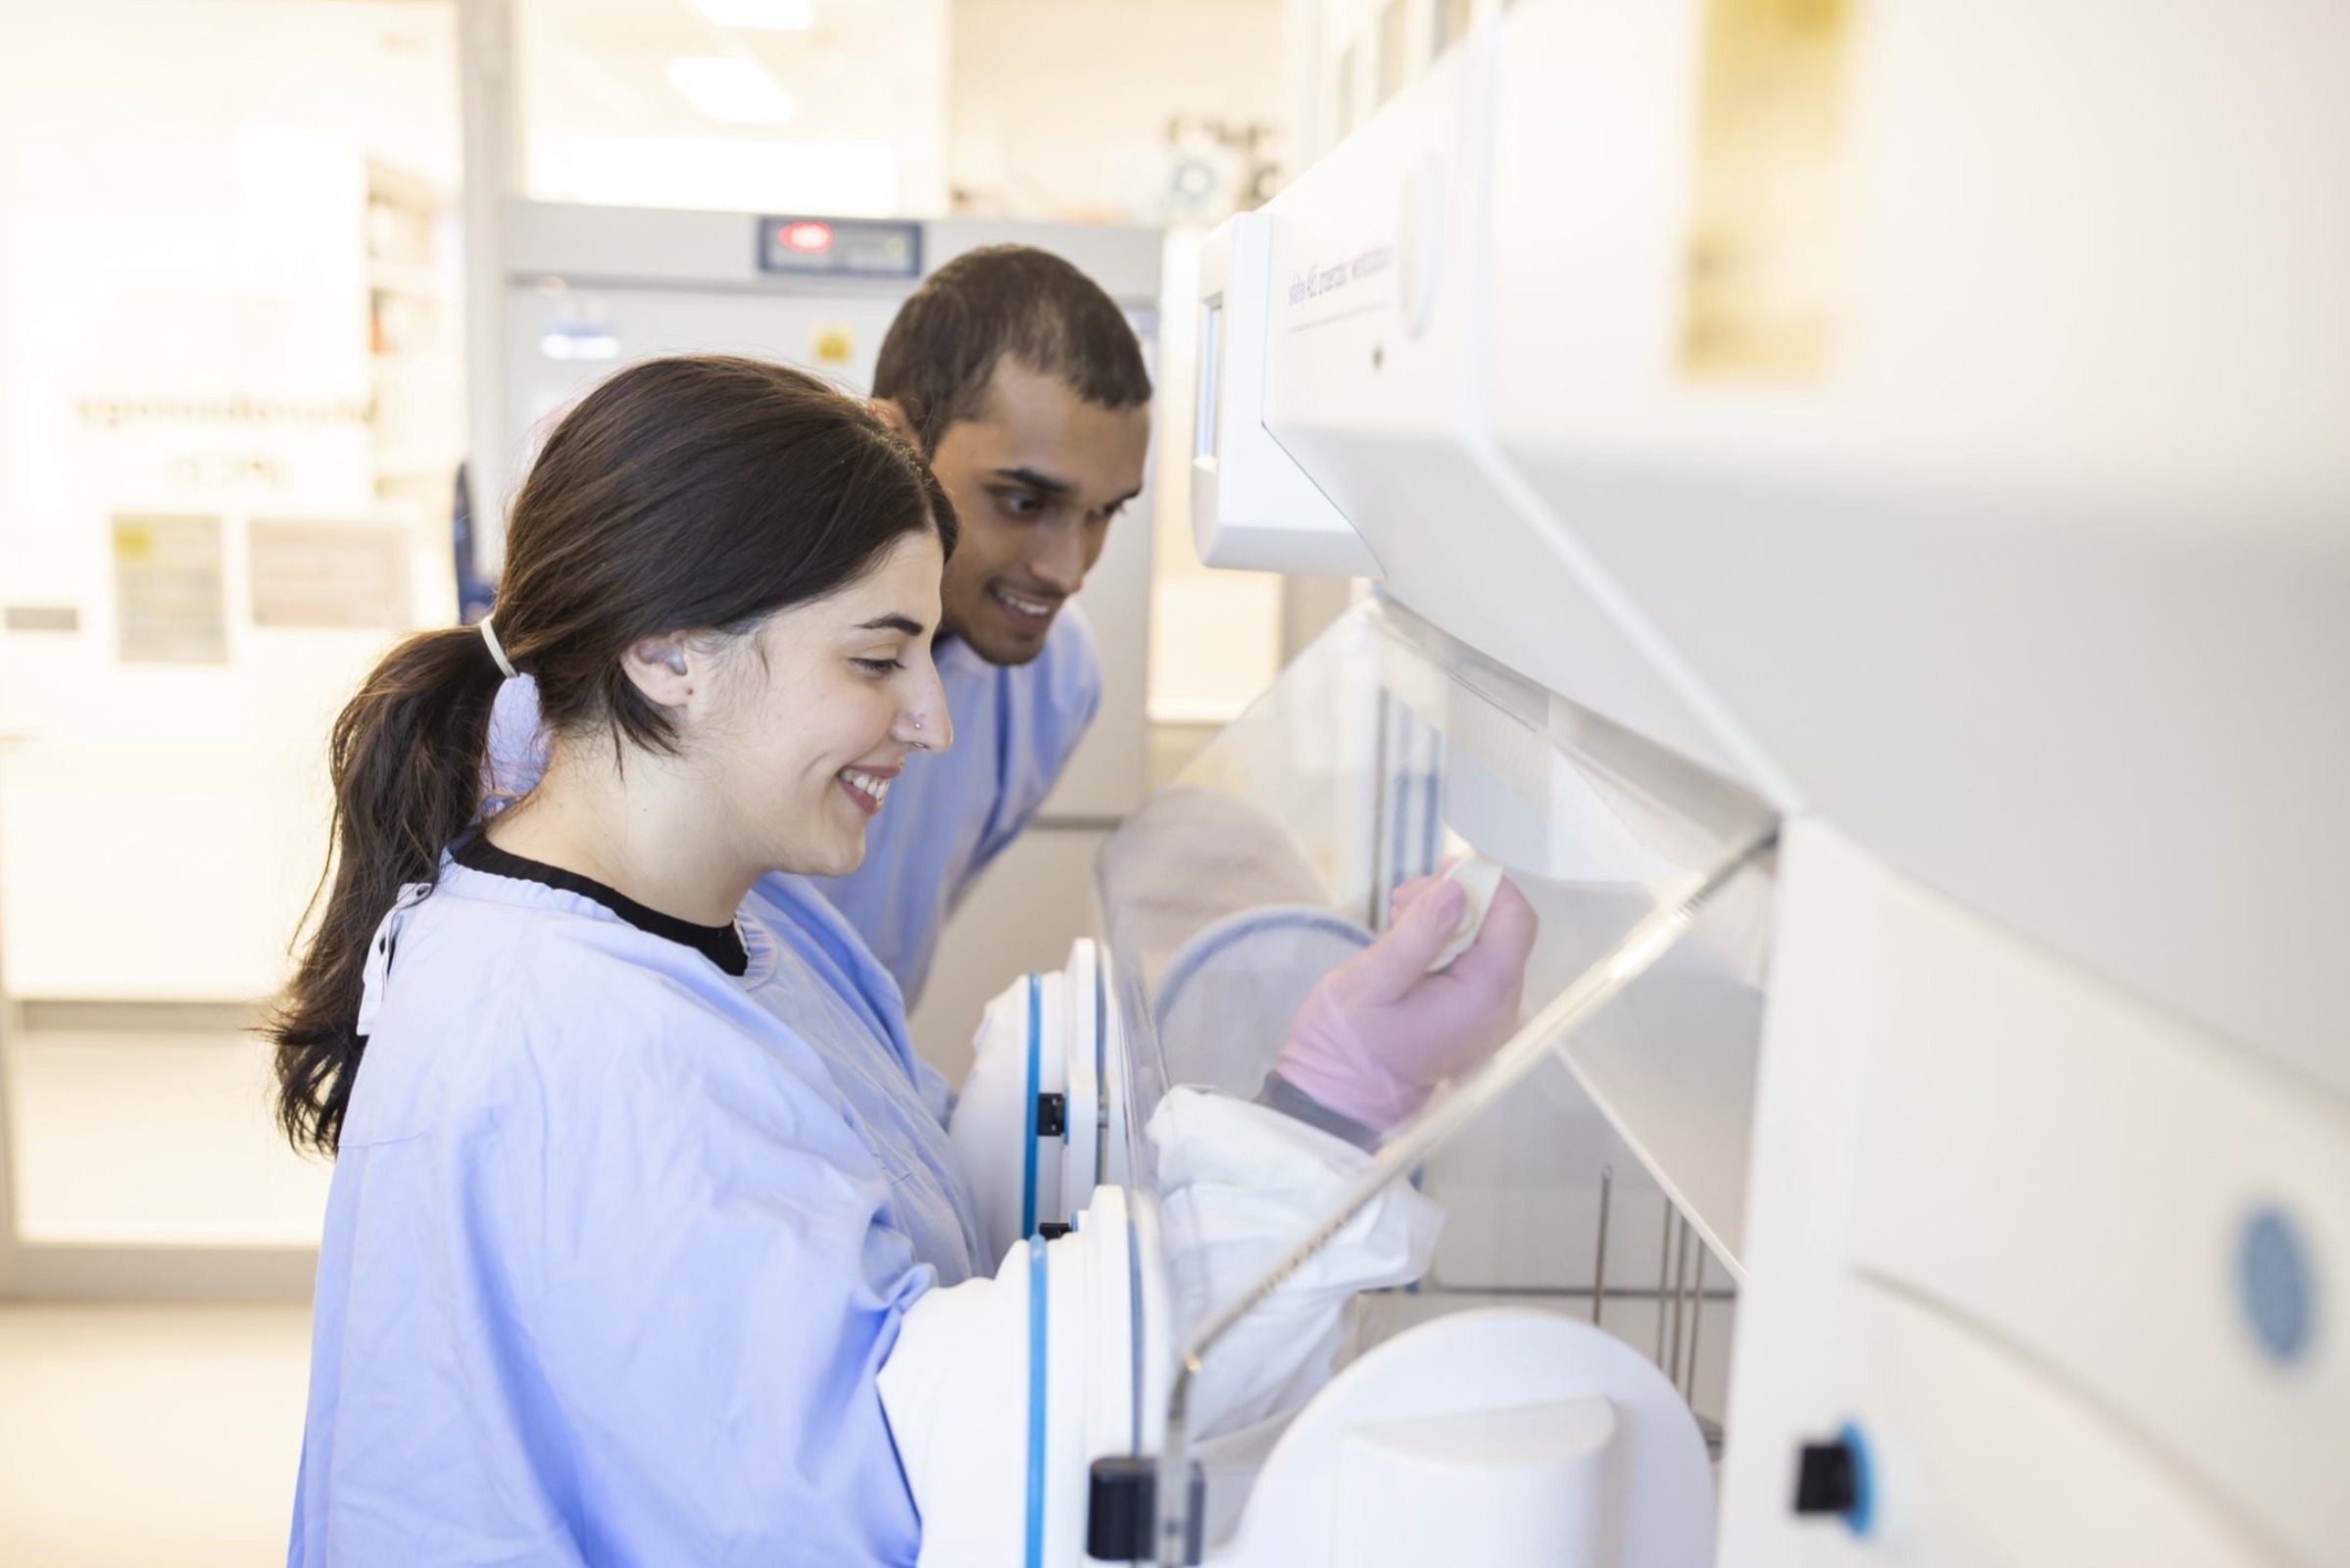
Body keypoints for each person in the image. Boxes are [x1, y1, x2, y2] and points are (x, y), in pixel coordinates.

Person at [273, 354, 1538, 1565]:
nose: (930, 719)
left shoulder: (735, 923)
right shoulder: (586, 1038)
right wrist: (1321, 1112)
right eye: (877, 659)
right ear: (665, 652)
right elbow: (908, 1481)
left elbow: (874, 1229)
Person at [804, 244, 1154, 1007]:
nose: (1069, 571)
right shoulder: (740, 651)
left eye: (1105, 513)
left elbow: (878, 969)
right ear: (894, 438)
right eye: (1024, 502)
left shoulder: (1059, 678)